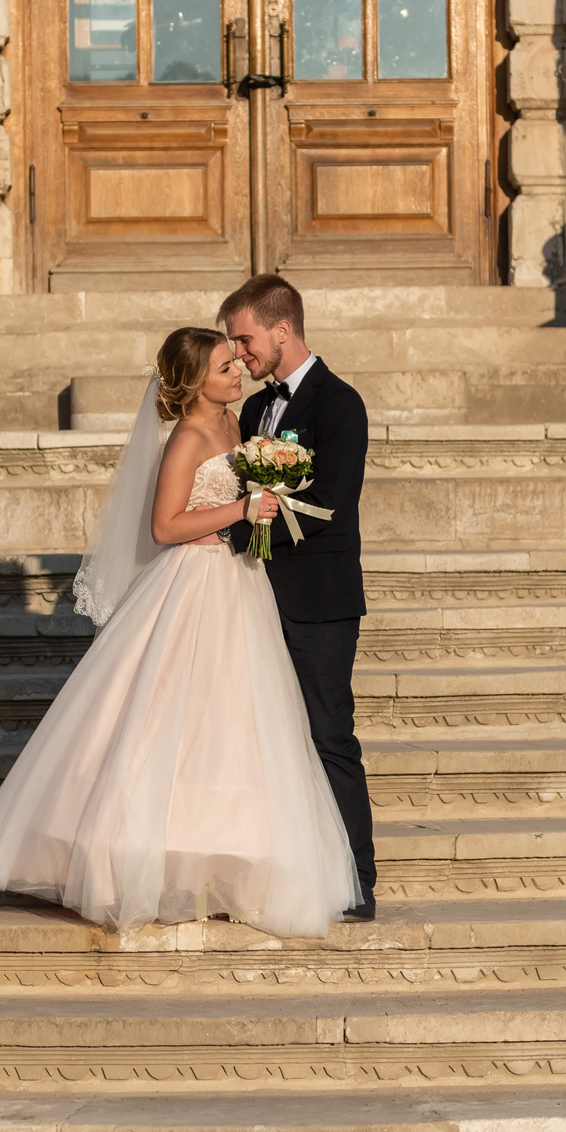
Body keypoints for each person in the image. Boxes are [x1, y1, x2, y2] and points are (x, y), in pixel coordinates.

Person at [0, 327, 364, 937]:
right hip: (195, 585)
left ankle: (230, 862)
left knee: (237, 722)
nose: (238, 372)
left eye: (235, 361)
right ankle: (142, 863)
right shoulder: (190, 438)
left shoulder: (237, 424)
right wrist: (241, 510)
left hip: (241, 580)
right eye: (225, 366)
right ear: (196, 380)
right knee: (175, 717)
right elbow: (165, 525)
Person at [220, 275, 376, 921]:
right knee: (269, 740)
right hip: (258, 599)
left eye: (245, 338)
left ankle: (358, 880)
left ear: (282, 329)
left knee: (327, 734)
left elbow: (329, 504)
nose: (239, 353)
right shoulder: (255, 412)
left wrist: (243, 522)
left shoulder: (340, 404)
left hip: (319, 600)